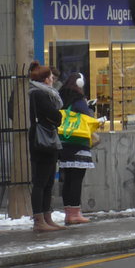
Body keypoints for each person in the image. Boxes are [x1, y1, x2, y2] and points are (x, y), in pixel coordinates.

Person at [57, 72, 99, 225]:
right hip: (79, 142)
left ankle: (68, 213)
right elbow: (86, 118)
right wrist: (90, 108)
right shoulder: (79, 100)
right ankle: (75, 213)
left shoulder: (62, 97)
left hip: (64, 142)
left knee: (67, 180)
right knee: (76, 180)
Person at [28, 63, 65, 232]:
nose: (52, 79)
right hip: (42, 141)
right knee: (41, 181)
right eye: (50, 76)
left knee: (49, 181)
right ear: (44, 79)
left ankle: (46, 216)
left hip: (48, 139)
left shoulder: (45, 93)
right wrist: (57, 118)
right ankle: (39, 219)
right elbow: (55, 115)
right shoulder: (39, 94)